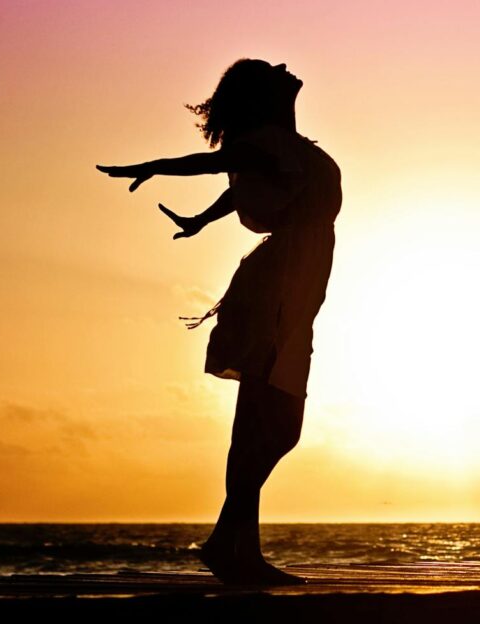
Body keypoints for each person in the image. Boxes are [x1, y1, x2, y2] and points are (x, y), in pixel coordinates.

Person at [96, 58, 342, 586]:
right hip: (279, 287)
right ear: (263, 94)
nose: (284, 66)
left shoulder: (286, 147)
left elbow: (241, 186)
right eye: (271, 69)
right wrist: (157, 166)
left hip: (291, 285)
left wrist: (200, 220)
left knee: (267, 423)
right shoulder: (269, 141)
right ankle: (232, 546)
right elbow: (213, 166)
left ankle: (232, 547)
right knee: (270, 422)